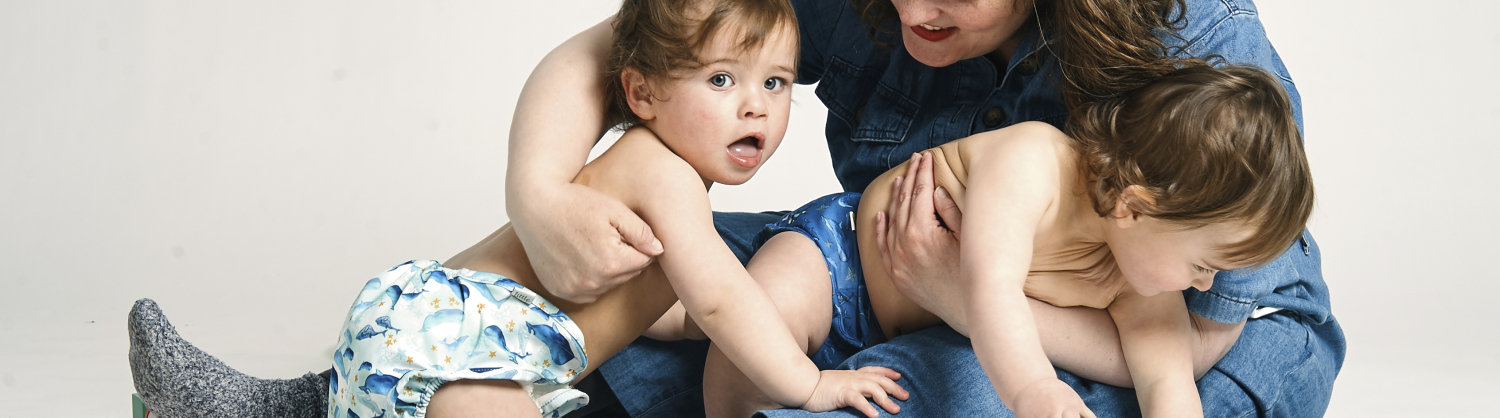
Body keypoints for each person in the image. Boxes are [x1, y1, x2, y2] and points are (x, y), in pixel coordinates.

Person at [507, 0, 1344, 417]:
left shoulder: (1193, 44)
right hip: (864, 259)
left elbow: (1182, 337)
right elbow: (631, 46)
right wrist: (541, 196)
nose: (912, 9)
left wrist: (967, 303)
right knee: (637, 258)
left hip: (1169, 331)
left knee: (946, 389)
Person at [129, 0, 909, 417]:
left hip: (423, 336)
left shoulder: (667, 185)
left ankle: (278, 408)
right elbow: (720, 295)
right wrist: (810, 388)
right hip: (445, 341)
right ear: (640, 94)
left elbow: (676, 307)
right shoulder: (663, 172)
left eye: (775, 84)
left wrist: (690, 316)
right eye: (721, 82)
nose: (756, 110)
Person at [646, 63, 1313, 417]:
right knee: (747, 345)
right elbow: (987, 286)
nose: (1206, 287)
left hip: (911, 334)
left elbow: (1170, 386)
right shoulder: (1035, 165)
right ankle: (680, 320)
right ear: (1137, 206)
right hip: (842, 258)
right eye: (1204, 264)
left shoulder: (1140, 279)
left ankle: (685, 316)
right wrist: (1031, 390)